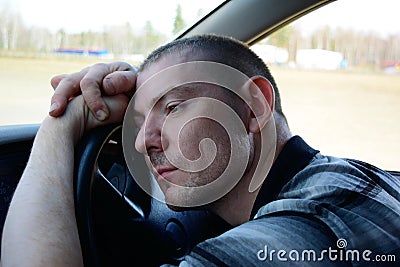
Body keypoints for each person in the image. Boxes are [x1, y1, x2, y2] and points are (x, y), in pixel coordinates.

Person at [2, 34, 400, 266]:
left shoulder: (301, 235)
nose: (142, 143)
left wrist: (61, 124)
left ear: (254, 108)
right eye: (138, 123)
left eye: (173, 108)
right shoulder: (350, 180)